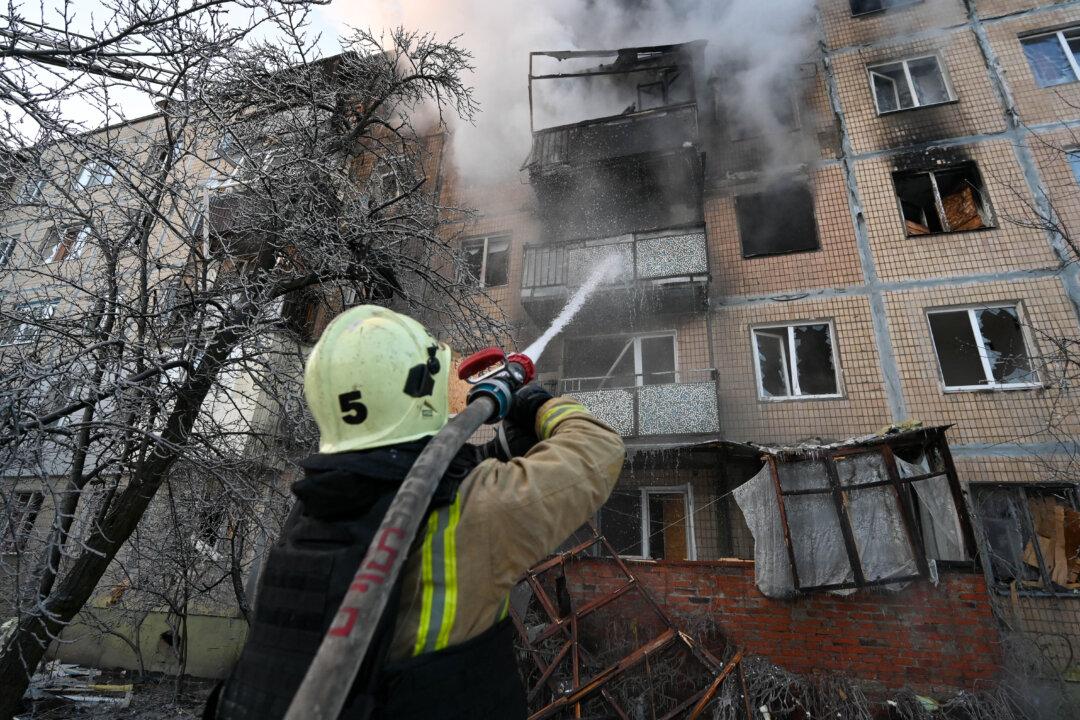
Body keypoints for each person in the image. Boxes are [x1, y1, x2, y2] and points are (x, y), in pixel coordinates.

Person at [207, 305, 625, 720]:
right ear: (423, 389)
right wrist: (538, 406)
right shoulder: (477, 507)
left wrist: (498, 453)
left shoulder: (311, 512)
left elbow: (412, 477)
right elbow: (597, 450)